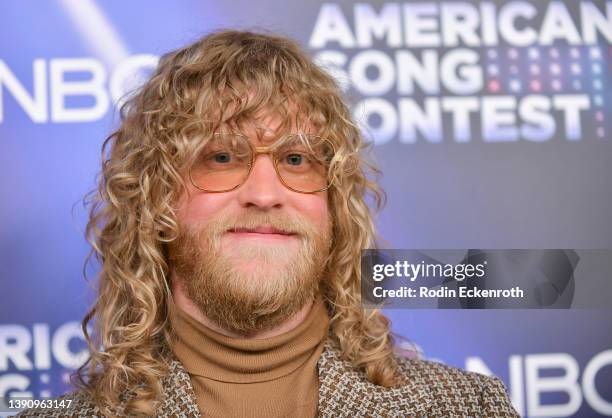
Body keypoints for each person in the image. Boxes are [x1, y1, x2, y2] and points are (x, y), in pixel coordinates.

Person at [15, 30, 519, 417]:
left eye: (296, 159)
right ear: (157, 202)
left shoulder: (466, 405)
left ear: (335, 206)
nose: (263, 193)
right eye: (221, 157)